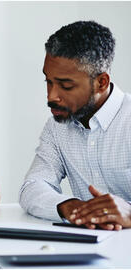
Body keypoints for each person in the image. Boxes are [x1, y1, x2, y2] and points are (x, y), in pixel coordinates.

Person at [19, 20, 131, 230]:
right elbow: (32, 187)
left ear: (101, 82)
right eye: (48, 81)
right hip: (89, 249)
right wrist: (69, 207)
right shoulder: (56, 127)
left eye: (66, 85)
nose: (51, 96)